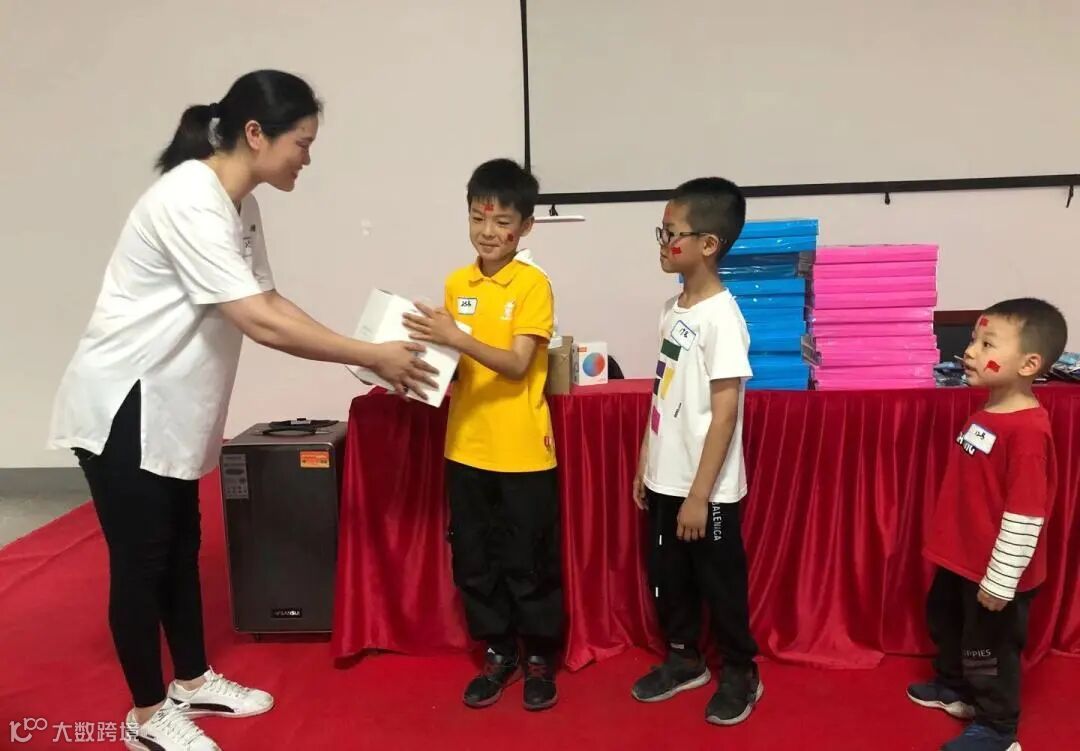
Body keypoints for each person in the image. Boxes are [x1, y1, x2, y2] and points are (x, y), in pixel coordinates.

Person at [47, 70, 437, 751]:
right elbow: (259, 321)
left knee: (180, 547)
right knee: (142, 560)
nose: (306, 159)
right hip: (125, 401)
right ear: (255, 134)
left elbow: (270, 300)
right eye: (301, 143)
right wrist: (368, 354)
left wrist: (367, 352)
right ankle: (145, 717)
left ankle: (192, 680)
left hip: (172, 404)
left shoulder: (238, 203)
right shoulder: (188, 200)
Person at [402, 158, 563, 711]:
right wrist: (411, 367)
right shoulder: (457, 283)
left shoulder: (533, 284)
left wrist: (455, 337)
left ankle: (539, 656)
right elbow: (456, 364)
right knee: (474, 558)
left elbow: (516, 364)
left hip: (522, 451)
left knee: (528, 560)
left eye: (502, 222)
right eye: (478, 218)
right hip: (466, 446)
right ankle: (498, 651)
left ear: (526, 226)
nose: (488, 232)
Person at [630, 177, 762, 726]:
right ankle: (684, 658)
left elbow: (725, 414)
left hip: (707, 491)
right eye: (661, 232)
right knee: (669, 575)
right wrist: (647, 459)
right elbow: (662, 388)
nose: (663, 243)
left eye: (672, 233)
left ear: (708, 244)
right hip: (666, 477)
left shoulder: (722, 319)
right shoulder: (674, 308)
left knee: (719, 581)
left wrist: (699, 496)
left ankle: (740, 669)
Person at [909, 298, 1067, 751]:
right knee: (948, 622)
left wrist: (1001, 581)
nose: (970, 352)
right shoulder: (987, 412)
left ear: (1029, 364)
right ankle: (955, 685)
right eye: (974, 341)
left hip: (994, 573)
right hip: (960, 559)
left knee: (988, 649)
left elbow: (1026, 513)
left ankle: (998, 728)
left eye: (986, 344)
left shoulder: (1028, 431)